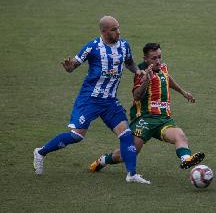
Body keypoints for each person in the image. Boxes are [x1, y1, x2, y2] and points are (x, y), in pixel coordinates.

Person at [33, 16, 150, 184]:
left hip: (110, 101)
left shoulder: (124, 45)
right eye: (114, 29)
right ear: (103, 31)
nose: (119, 31)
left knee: (126, 134)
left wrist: (138, 71)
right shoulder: (93, 47)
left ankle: (132, 174)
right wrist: (69, 67)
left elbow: (129, 62)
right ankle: (41, 152)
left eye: (118, 28)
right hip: (90, 99)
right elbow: (74, 64)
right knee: (77, 136)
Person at [89, 43, 205, 173]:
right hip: (144, 120)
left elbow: (167, 78)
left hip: (163, 119)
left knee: (180, 135)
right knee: (127, 154)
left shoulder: (163, 67)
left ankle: (186, 159)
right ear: (146, 59)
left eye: (159, 57)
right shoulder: (141, 73)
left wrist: (183, 92)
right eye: (154, 58)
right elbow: (136, 96)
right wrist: (147, 81)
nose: (158, 61)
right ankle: (103, 160)